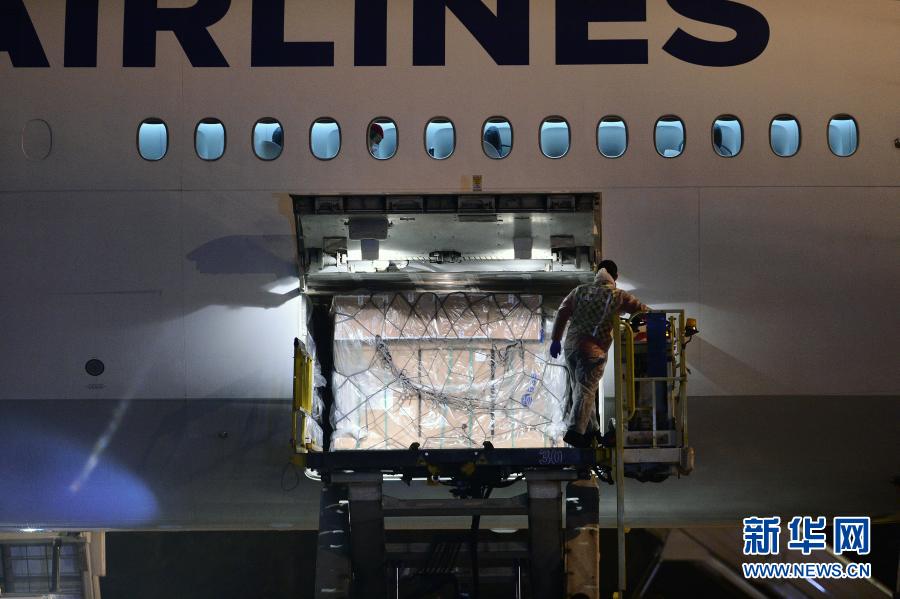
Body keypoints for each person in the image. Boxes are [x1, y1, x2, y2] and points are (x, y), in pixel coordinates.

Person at [549, 260, 649, 448]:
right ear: (615, 276)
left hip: (571, 347)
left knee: (580, 388)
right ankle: (575, 431)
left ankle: (591, 431)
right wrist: (652, 322)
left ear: (596, 273)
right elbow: (644, 312)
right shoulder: (618, 295)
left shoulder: (579, 291)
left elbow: (562, 312)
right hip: (593, 350)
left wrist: (555, 339)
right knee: (586, 390)